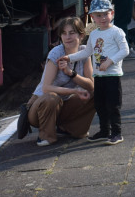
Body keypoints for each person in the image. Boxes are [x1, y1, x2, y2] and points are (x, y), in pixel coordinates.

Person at [63, 0, 129, 145]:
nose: (103, 18)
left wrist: (110, 61)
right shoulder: (93, 34)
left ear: (112, 13)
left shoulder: (117, 32)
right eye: (98, 15)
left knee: (113, 104)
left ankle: (117, 133)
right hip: (99, 75)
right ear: (92, 17)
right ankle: (104, 131)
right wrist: (69, 58)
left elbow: (125, 50)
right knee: (99, 103)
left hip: (112, 75)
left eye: (106, 14)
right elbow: (86, 52)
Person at [21, 16, 94, 146]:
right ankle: (46, 136)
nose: (67, 37)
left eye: (72, 33)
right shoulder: (56, 53)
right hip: (40, 108)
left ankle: (72, 128)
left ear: (81, 35)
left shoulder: (84, 52)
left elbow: (91, 85)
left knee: (95, 93)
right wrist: (74, 90)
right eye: (64, 33)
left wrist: (71, 73)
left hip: (62, 107)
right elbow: (46, 88)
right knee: (52, 98)